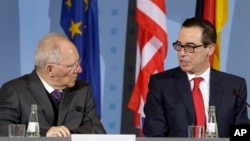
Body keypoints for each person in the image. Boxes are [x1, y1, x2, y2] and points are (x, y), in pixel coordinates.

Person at [143, 17, 250, 137]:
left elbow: (241, 133)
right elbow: (155, 134)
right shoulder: (161, 84)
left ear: (210, 49)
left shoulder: (234, 86)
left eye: (190, 47)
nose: (182, 53)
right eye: (179, 45)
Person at [0, 32, 106, 137]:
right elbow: (3, 129)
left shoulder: (82, 90)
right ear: (50, 70)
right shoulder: (15, 91)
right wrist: (45, 135)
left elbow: (97, 130)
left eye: (78, 62)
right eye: (72, 66)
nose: (79, 70)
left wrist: (66, 135)